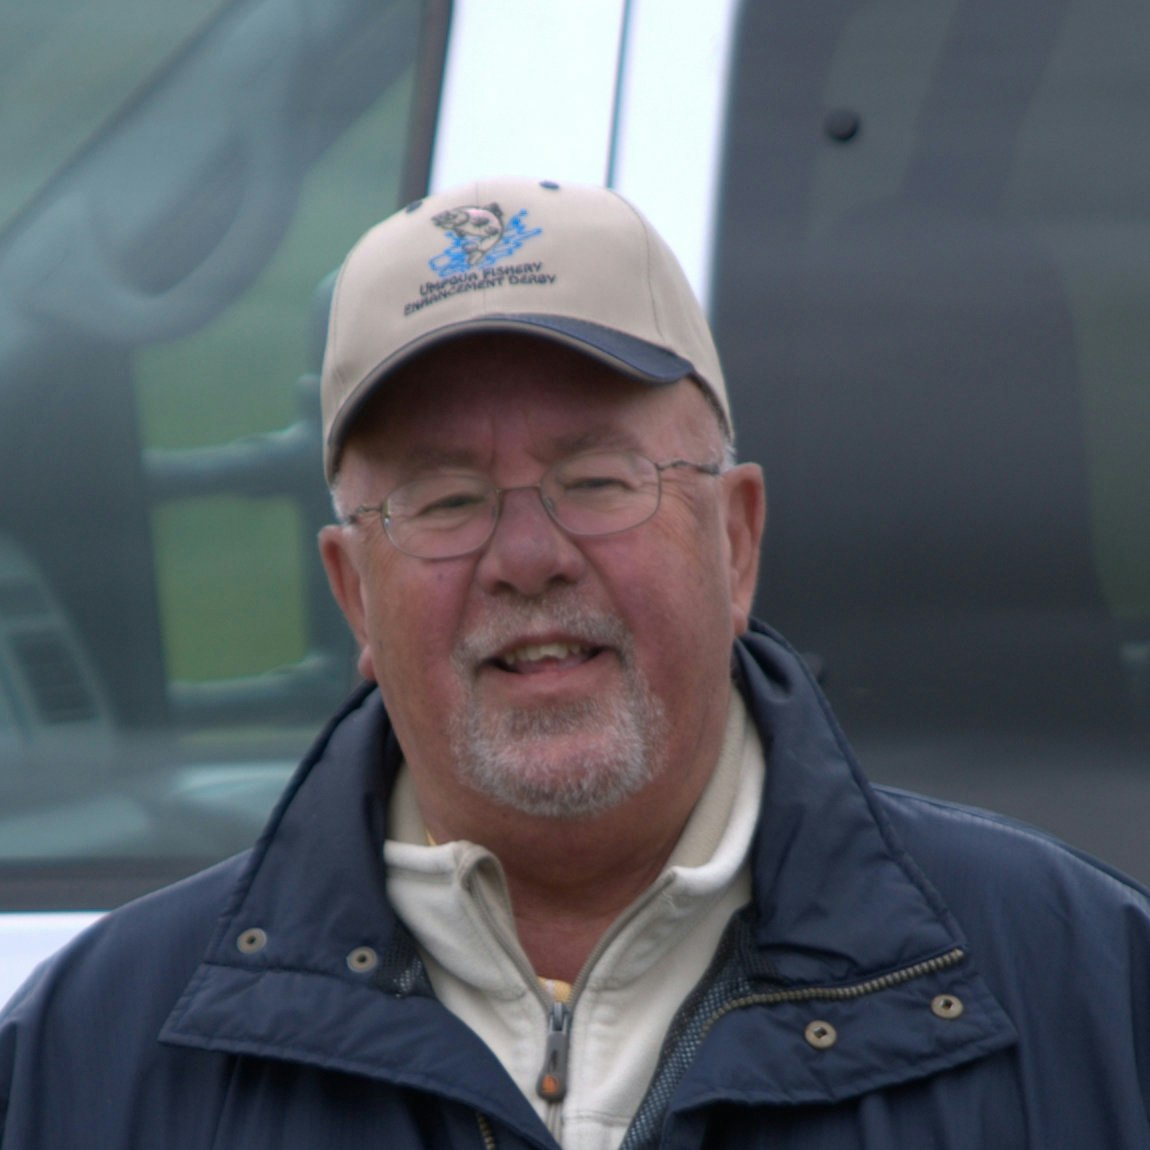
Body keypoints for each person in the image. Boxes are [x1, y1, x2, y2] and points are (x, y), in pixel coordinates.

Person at [2, 176, 1149, 1150]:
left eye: (598, 479)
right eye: (445, 500)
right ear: (354, 590)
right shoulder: (90, 1063)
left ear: (735, 539)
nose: (529, 558)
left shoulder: (1086, 999)